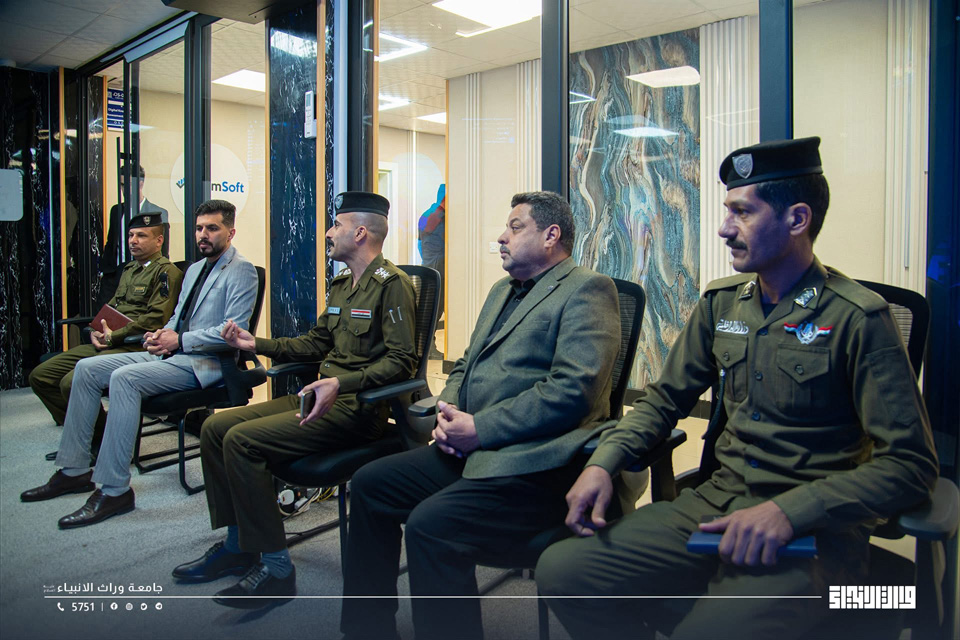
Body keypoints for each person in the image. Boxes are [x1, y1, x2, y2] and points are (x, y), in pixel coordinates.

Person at [535, 137, 939, 640]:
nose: (725, 228)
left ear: (797, 219)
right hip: (716, 503)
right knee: (563, 572)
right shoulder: (722, 304)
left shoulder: (859, 319)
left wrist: (791, 512)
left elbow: (911, 464)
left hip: (812, 533)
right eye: (728, 211)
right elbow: (663, 401)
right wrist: (603, 462)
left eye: (742, 212)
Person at [340, 191, 621, 640]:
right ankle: (366, 630)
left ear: (551, 236)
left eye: (515, 227)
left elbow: (573, 392)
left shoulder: (588, 289)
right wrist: (448, 409)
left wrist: (481, 429)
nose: (501, 237)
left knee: (431, 527)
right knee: (371, 484)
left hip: (535, 463)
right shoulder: (501, 290)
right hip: (472, 449)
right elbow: (466, 363)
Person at [170, 192, 418, 609]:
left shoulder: (392, 286)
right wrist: (256, 343)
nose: (329, 233)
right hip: (319, 397)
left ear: (360, 233)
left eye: (336, 225)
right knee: (214, 428)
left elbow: (402, 362)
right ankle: (239, 544)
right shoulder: (343, 284)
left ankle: (276, 570)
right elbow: (316, 342)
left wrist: (343, 383)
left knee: (241, 442)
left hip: (357, 410)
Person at [20, 199, 259, 530]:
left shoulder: (242, 270)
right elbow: (177, 318)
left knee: (125, 378)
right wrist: (161, 335)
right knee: (86, 370)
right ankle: (74, 471)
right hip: (173, 354)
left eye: (212, 228)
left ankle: (115, 490)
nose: (203, 235)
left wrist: (180, 340)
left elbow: (234, 332)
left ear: (230, 232)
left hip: (206, 363)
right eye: (199, 228)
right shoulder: (194, 269)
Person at [29, 212, 183, 457]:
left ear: (159, 240)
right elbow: (111, 308)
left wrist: (114, 336)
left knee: (70, 382)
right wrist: (96, 331)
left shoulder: (166, 272)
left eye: (142, 236)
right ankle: (87, 434)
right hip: (108, 341)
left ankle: (98, 443)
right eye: (131, 235)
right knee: (41, 376)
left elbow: (155, 319)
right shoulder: (129, 269)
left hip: (134, 345)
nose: (133, 241)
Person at [101, 165, 170, 299]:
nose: (124, 189)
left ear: (141, 184)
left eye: (129, 185)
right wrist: (106, 270)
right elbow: (111, 242)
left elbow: (163, 251)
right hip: (115, 275)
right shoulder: (116, 210)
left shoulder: (158, 213)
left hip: (143, 276)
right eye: (122, 185)